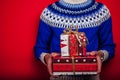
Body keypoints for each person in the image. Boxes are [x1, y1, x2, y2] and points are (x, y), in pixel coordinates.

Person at [34, 0, 116, 80]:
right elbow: (39, 48)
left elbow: (109, 47)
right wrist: (46, 57)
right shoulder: (49, 13)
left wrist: (100, 55)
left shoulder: (101, 11)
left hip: (91, 75)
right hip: (59, 76)